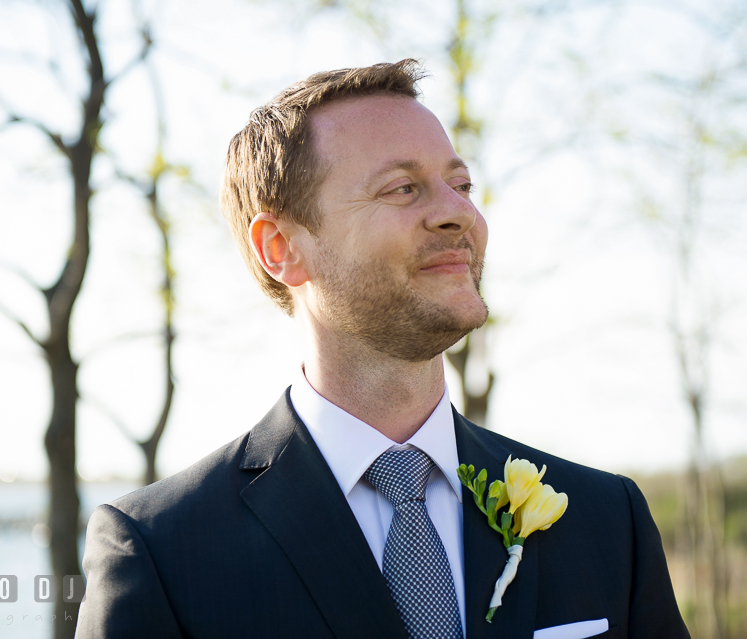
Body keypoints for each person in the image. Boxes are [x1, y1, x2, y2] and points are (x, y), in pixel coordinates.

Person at [75, 59, 689, 639]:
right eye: (403, 188)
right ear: (281, 247)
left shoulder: (608, 521)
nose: (459, 214)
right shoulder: (159, 550)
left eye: (461, 183)